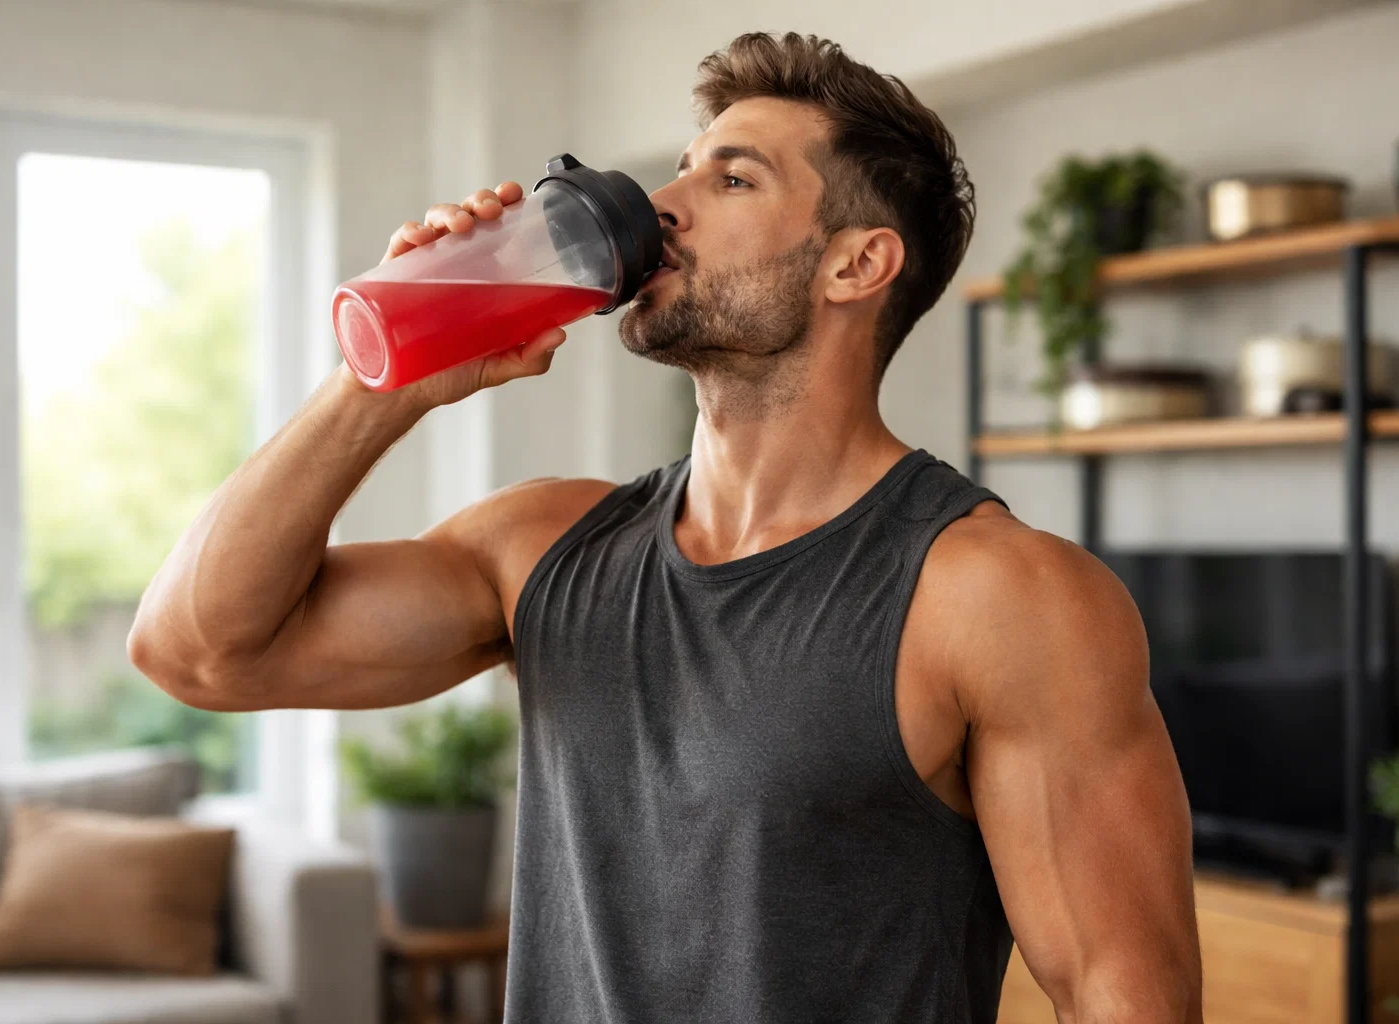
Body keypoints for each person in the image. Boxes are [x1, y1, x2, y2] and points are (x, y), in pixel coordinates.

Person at [130, 31, 1202, 1024]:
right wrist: (388, 375)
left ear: (854, 264)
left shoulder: (994, 594)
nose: (664, 204)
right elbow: (198, 650)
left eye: (733, 177)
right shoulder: (544, 548)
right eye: (682, 169)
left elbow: (1125, 993)